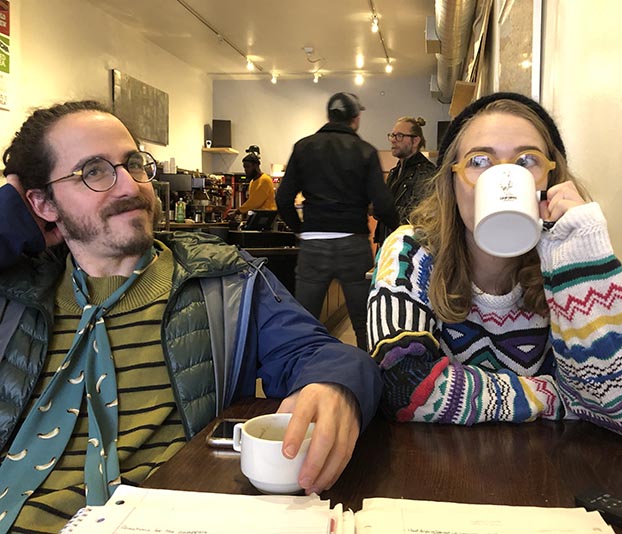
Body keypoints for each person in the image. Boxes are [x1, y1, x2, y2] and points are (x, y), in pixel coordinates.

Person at [0, 100, 383, 533]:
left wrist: (336, 387)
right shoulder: (15, 296)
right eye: (93, 171)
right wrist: (8, 216)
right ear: (42, 203)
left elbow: (321, 353)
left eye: (133, 164)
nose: (129, 186)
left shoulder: (224, 281)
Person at [367, 92, 622, 445]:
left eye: (527, 160)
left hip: (558, 468)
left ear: (550, 180)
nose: (504, 178)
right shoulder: (412, 251)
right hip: (441, 466)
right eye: (479, 161)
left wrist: (581, 261)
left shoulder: (575, 257)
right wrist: (557, 397)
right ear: (452, 182)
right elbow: (403, 388)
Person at [276, 92, 398, 351]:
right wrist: (399, 228)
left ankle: (302, 371)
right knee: (364, 323)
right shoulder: (365, 151)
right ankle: (369, 370)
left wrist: (301, 229)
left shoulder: (303, 147)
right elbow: (383, 203)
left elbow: (283, 198)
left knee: (304, 322)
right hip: (353, 244)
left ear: (329, 116)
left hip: (313, 245)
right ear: (356, 118)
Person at [374, 116, 436, 245]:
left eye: (399, 136)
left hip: (408, 248)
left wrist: (381, 208)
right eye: (392, 135)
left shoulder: (426, 174)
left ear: (415, 141)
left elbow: (419, 217)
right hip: (390, 245)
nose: (393, 140)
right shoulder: (394, 172)